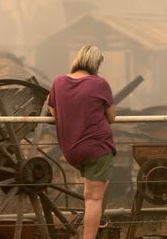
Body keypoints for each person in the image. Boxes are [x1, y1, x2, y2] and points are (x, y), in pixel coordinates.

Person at [47, 45, 116, 239]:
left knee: (89, 195)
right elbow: (111, 117)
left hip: (72, 150)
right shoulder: (99, 83)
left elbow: (54, 111)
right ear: (96, 64)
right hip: (97, 147)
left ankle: (94, 223)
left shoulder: (58, 82)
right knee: (94, 199)